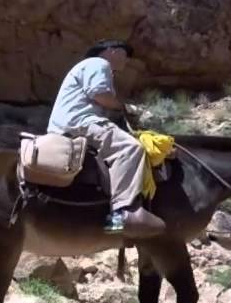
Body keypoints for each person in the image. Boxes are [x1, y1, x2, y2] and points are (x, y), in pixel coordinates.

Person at [46, 39, 165, 237]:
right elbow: (101, 95)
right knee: (131, 148)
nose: (126, 61)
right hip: (81, 122)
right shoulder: (99, 64)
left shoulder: (85, 67)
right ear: (111, 51)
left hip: (67, 124)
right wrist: (124, 108)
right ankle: (121, 213)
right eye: (124, 54)